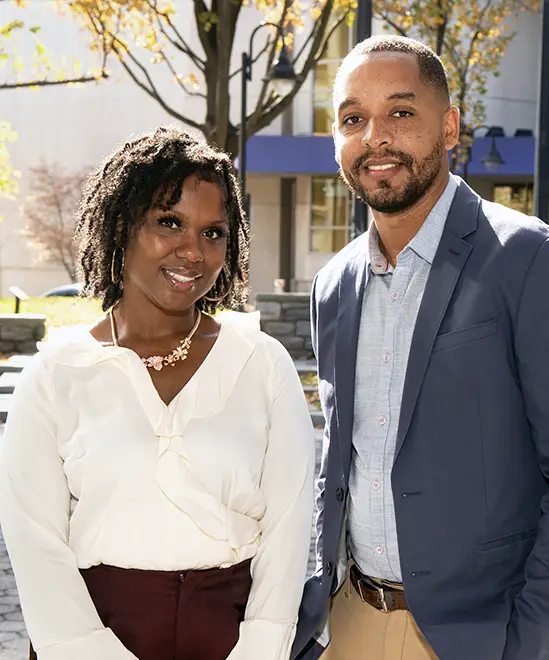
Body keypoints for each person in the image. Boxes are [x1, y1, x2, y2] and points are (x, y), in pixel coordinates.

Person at [292, 35, 549, 660]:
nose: (376, 138)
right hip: (353, 621)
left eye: (400, 112)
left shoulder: (536, 261)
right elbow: (338, 464)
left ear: (449, 127)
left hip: (481, 635)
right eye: (353, 120)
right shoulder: (333, 285)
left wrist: (536, 645)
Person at [0, 126, 315, 660]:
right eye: (169, 222)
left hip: (231, 638)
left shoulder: (263, 365)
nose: (192, 251)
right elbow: (36, 542)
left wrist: (260, 649)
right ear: (122, 227)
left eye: (213, 232)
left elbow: (288, 530)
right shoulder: (56, 374)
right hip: (88, 637)